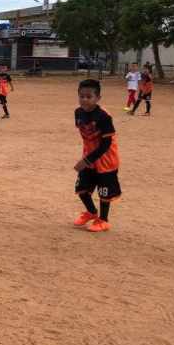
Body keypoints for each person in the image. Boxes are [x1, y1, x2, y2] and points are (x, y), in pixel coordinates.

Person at [73, 79, 121, 233]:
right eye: (81, 96)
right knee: (81, 188)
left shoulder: (103, 116)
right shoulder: (78, 113)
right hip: (89, 157)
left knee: (104, 192)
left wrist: (86, 160)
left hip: (106, 159)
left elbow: (106, 144)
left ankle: (103, 220)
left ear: (98, 98)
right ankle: (91, 212)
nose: (84, 100)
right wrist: (87, 157)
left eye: (89, 97)